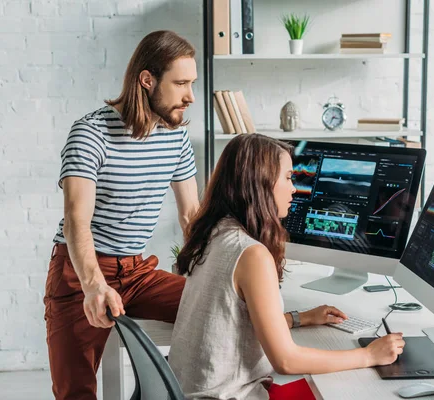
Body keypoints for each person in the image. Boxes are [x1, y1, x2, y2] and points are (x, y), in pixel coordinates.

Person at [169, 134, 405, 399]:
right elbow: (287, 361)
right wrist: (368, 354)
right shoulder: (251, 255)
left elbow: (230, 322)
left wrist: (299, 318)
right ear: (260, 184)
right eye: (288, 177)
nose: (294, 188)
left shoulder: (214, 232)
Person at [44, 30, 200, 400]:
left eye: (191, 83)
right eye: (180, 84)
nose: (190, 96)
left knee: (219, 307)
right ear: (147, 80)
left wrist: (216, 271)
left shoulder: (175, 137)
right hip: (80, 272)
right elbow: (76, 221)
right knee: (75, 393)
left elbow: (192, 214)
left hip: (139, 272)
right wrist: (94, 286)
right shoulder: (90, 133)